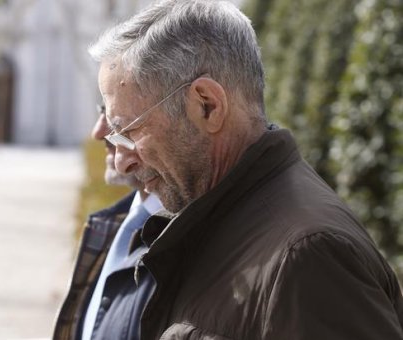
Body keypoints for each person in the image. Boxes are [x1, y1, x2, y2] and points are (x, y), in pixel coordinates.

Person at [88, 0, 403, 339]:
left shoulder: (308, 257)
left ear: (207, 105)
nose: (122, 160)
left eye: (128, 131)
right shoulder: (215, 220)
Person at [53, 104, 163, 340]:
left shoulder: (191, 240)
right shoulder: (111, 224)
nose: (98, 132)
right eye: (100, 111)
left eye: (115, 117)